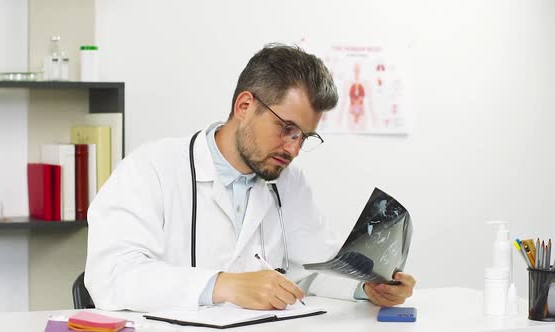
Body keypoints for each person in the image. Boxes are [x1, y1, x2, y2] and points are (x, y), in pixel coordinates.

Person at [84, 43, 416, 312]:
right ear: (244, 105)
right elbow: (111, 275)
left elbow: (313, 271)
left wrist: (366, 287)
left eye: (304, 136)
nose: (293, 148)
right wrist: (223, 284)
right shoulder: (150, 169)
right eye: (286, 129)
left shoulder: (290, 183)